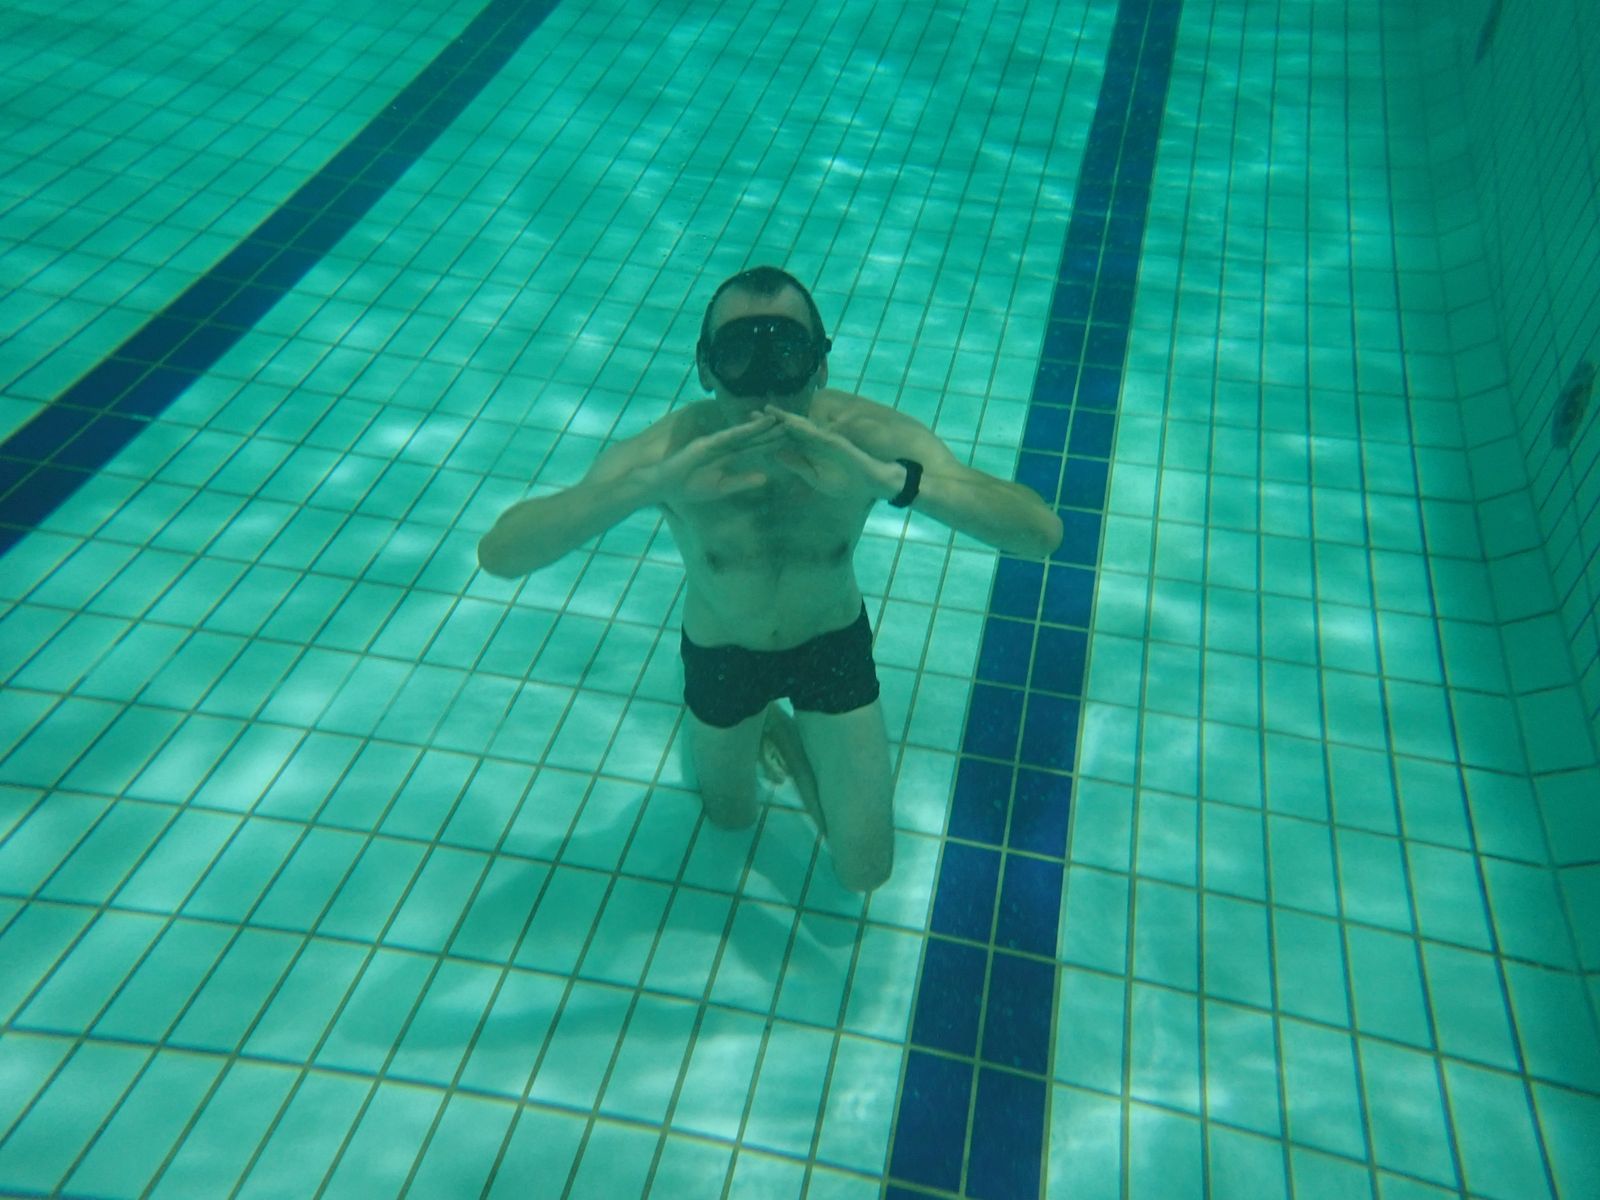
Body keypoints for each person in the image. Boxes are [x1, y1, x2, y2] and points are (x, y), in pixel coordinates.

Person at [478, 266, 1063, 892]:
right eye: (738, 356)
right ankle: (770, 721)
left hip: (830, 648)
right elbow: (501, 553)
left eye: (785, 355)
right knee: (730, 819)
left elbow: (1040, 533)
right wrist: (649, 487)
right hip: (723, 654)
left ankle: (780, 721)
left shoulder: (865, 440)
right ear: (706, 368)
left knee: (866, 873)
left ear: (819, 365)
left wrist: (891, 481)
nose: (764, 388)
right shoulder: (669, 453)